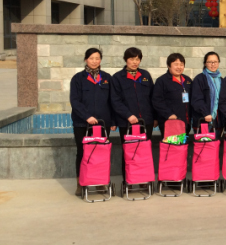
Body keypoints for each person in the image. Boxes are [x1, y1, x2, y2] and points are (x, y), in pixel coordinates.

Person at [70, 48, 114, 196]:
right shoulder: (78, 78)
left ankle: (100, 182)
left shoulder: (107, 78)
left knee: (100, 153)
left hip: (102, 123)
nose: (94, 61)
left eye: (97, 58)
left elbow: (112, 101)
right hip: (82, 123)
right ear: (85, 60)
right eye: (91, 58)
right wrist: (86, 116)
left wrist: (113, 120)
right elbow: (74, 101)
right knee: (82, 153)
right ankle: (80, 183)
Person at [110, 47, 155, 180]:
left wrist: (155, 117)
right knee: (129, 152)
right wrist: (128, 115)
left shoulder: (145, 75)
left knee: (144, 152)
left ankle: (144, 180)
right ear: (125, 60)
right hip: (127, 122)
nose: (135, 62)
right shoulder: (117, 78)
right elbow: (115, 100)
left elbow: (153, 97)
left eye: (137, 59)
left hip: (146, 121)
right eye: (131, 59)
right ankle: (128, 180)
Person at [151, 53, 192, 138]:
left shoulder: (187, 80)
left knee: (184, 145)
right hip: (170, 121)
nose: (179, 67)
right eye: (176, 64)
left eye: (181, 64)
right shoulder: (162, 81)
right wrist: (168, 114)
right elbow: (157, 101)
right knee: (171, 145)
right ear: (169, 65)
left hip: (185, 121)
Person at [191, 51, 222, 131]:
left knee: (217, 139)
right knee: (203, 139)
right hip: (203, 119)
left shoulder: (221, 80)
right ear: (205, 63)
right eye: (210, 62)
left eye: (215, 62)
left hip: (217, 121)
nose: (213, 64)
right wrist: (206, 113)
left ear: (218, 63)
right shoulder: (199, 79)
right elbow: (197, 99)